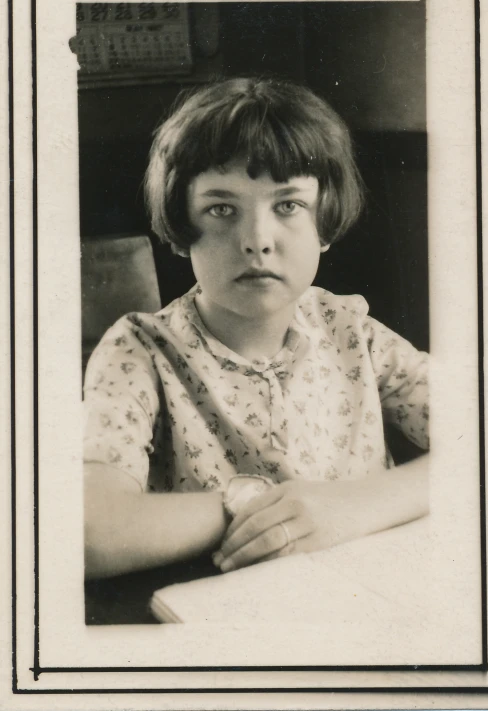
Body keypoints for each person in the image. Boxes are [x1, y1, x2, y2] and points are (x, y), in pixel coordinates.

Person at [83, 77, 429, 580]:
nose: (257, 240)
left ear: (324, 223)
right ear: (182, 230)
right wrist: (257, 508)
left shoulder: (352, 332)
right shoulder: (140, 351)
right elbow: (89, 534)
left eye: (287, 205)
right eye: (221, 209)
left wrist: (348, 508)